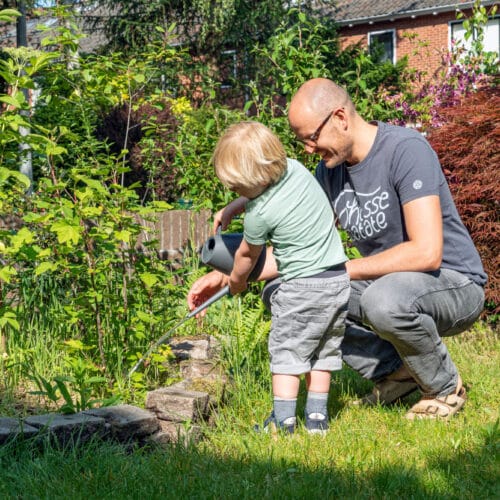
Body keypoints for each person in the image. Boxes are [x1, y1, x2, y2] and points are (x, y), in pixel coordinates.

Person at [189, 78, 486, 421]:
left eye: (311, 138)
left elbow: (426, 253)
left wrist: (340, 271)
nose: (308, 149)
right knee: (286, 293)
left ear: (341, 117)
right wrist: (226, 277)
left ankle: (444, 387)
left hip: (453, 282)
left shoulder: (406, 149)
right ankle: (396, 372)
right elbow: (297, 257)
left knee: (382, 300)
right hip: (388, 284)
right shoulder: (329, 173)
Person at [211, 121, 350, 434]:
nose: (235, 192)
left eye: (237, 188)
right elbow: (264, 189)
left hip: (301, 288)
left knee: (287, 354)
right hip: (338, 280)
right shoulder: (296, 169)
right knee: (323, 353)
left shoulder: (259, 214)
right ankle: (317, 420)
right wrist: (235, 205)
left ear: (256, 180)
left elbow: (248, 256)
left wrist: (236, 281)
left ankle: (283, 423)